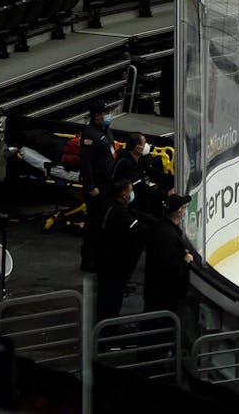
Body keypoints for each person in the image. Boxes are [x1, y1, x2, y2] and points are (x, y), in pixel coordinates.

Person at [95, 178, 147, 321]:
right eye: (130, 191)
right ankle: (106, 335)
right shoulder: (119, 212)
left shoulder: (113, 206)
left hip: (109, 264)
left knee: (109, 300)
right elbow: (139, 228)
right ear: (124, 194)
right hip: (113, 266)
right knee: (110, 302)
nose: (132, 194)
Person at [78, 100, 118, 272]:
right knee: (94, 224)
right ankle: (88, 260)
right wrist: (91, 187)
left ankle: (100, 257)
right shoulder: (89, 135)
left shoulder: (105, 131)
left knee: (104, 223)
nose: (107, 115)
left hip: (108, 185)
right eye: (104, 113)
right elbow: (85, 164)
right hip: (97, 187)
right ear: (97, 116)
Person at [143, 192, 194, 317]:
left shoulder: (161, 227)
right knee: (160, 327)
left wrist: (180, 252)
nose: (185, 210)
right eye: (184, 208)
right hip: (163, 295)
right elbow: (170, 267)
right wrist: (185, 261)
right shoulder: (169, 235)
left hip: (154, 290)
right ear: (179, 212)